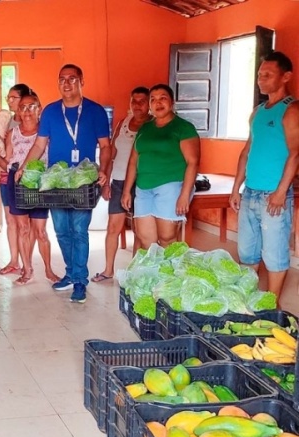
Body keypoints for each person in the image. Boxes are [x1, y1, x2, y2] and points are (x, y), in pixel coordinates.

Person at [16, 64, 111, 303]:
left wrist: (105, 170)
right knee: (61, 230)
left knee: (79, 230)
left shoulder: (95, 111)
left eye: (72, 79)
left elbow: (106, 146)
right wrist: (24, 168)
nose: (66, 83)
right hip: (55, 181)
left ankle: (80, 280)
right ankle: (70, 273)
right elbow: (39, 145)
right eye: (62, 79)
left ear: (81, 81)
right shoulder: (49, 112)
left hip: (83, 181)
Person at [230, 51, 299, 302]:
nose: (261, 79)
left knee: (274, 253)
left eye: (267, 75)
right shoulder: (257, 111)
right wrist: (236, 187)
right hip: (250, 193)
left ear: (286, 76)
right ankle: (249, 301)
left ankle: (272, 306)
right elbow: (246, 150)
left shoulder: (291, 110)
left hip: (274, 196)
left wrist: (281, 192)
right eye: (259, 74)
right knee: (247, 253)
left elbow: (295, 154)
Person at [121, 84, 200, 251]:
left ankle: (169, 276)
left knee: (167, 238)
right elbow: (133, 161)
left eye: (162, 98)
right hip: (143, 188)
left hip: (170, 187)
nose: (158, 103)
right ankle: (154, 275)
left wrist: (185, 195)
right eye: (153, 99)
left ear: (172, 102)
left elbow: (192, 162)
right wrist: (127, 190)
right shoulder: (145, 128)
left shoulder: (183, 128)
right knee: (145, 239)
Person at [0, 92, 60, 285]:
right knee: (23, 229)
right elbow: (7, 163)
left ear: (39, 108)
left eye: (31, 106)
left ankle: (49, 270)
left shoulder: (47, 132)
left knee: (40, 231)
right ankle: (27, 269)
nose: (26, 111)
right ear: (18, 110)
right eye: (23, 107)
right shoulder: (12, 134)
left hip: (40, 183)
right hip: (16, 181)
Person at [92, 87, 150, 282]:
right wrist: (106, 182)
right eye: (134, 101)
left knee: (140, 231)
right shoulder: (123, 124)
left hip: (142, 182)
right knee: (113, 228)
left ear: (149, 103)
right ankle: (108, 270)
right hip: (118, 181)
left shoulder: (153, 126)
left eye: (142, 101)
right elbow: (112, 153)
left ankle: (135, 272)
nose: (138, 105)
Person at [0, 83, 31, 275]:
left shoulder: (32, 122)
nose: (9, 101)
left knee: (26, 224)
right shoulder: (7, 122)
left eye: (13, 97)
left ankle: (27, 261)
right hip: (6, 177)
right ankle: (14, 261)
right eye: (8, 98)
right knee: (11, 221)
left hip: (27, 182)